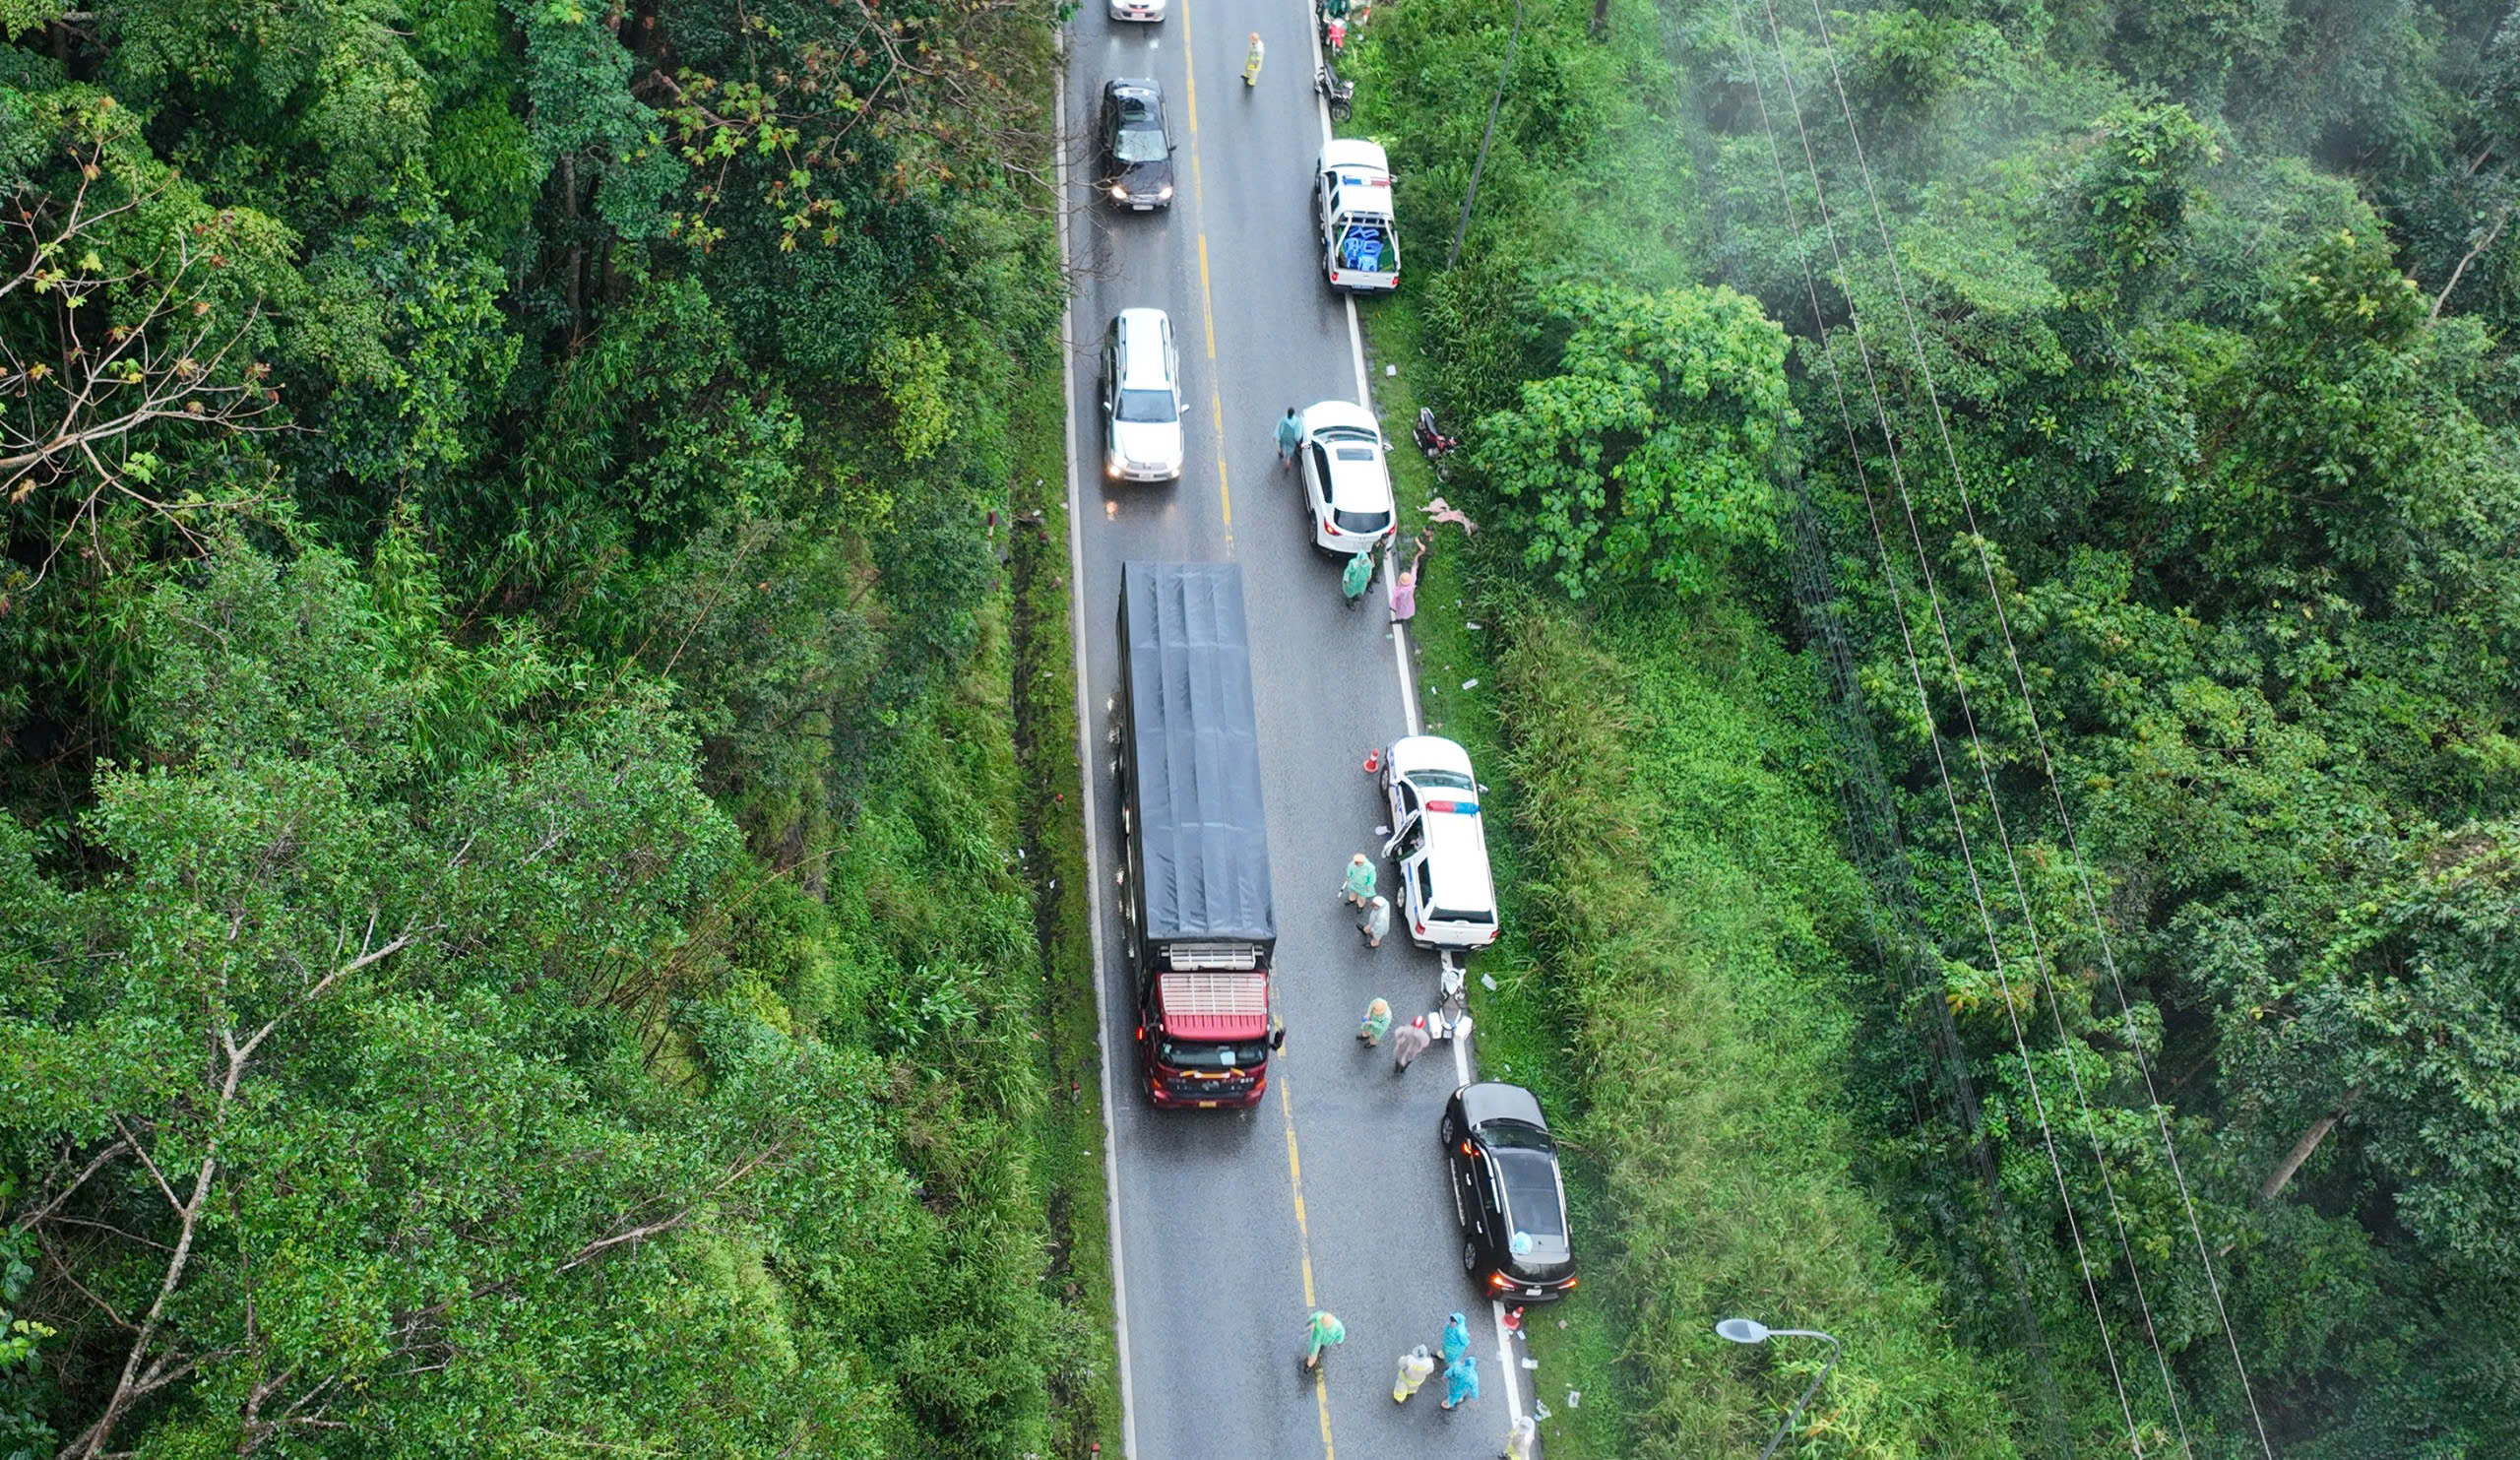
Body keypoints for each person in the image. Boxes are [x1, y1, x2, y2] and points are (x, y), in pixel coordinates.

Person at [1275, 407, 1302, 471]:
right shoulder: (1297, 421)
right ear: (1293, 414)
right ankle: (1287, 465)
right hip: (1291, 439)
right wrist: (1297, 440)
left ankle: (1281, 453)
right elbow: (1298, 433)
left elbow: (1280, 428)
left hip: (1284, 436)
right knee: (1289, 454)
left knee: (1282, 445)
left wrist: (1278, 435)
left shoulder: (1284, 419)